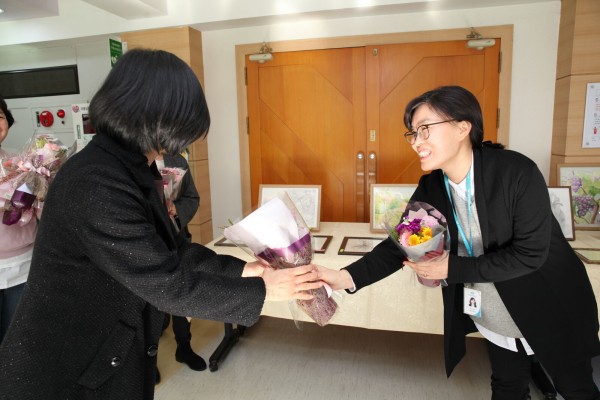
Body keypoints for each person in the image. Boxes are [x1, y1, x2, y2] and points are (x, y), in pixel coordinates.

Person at [0, 49, 322, 400]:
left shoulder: (130, 168)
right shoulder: (95, 181)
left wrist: (247, 270)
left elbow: (174, 252)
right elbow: (166, 284)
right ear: (155, 117)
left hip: (101, 353)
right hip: (62, 367)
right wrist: (265, 290)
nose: (185, 141)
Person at [318, 86, 600, 399]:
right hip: (495, 310)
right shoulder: (433, 186)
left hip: (549, 302)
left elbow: (529, 255)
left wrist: (451, 268)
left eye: (425, 129)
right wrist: (343, 277)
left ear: (463, 127)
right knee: (507, 386)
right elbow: (400, 246)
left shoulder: (516, 172)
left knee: (575, 388)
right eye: (413, 133)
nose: (416, 142)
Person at [156, 151, 207, 375]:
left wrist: (175, 208)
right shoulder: (131, 160)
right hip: (145, 240)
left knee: (181, 290)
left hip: (176, 237)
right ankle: (149, 359)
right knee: (147, 299)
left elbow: (192, 197)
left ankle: (184, 347)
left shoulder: (177, 160)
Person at [0, 95, 38, 344]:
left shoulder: (22, 164)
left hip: (23, 265)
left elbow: (40, 210)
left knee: (16, 338)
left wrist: (43, 187)